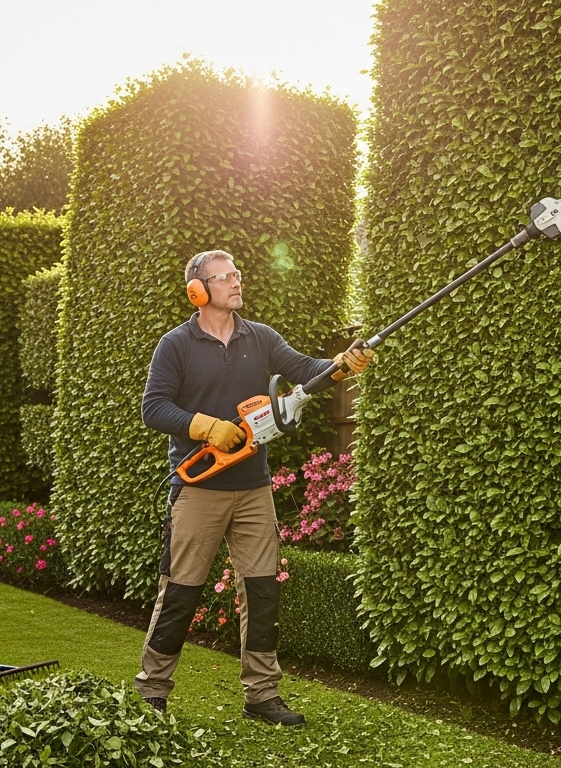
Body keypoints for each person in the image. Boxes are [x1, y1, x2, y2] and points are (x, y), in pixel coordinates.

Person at [135, 248, 373, 726]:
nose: (235, 283)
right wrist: (206, 427)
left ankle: (261, 695)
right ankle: (152, 692)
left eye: (237, 275)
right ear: (198, 291)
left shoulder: (260, 338)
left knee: (262, 589)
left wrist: (342, 365)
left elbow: (309, 372)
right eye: (223, 278)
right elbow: (153, 408)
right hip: (199, 488)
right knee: (180, 590)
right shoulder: (175, 345)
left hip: (253, 486)